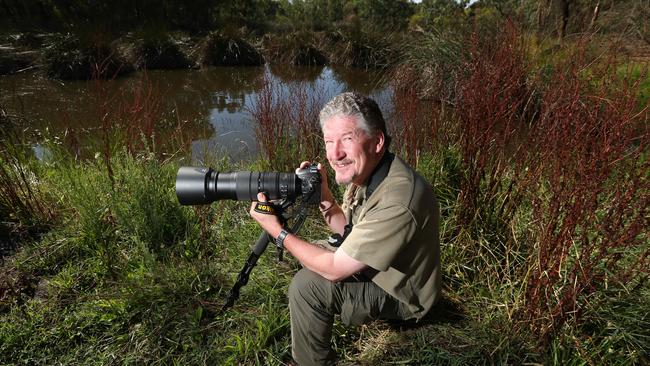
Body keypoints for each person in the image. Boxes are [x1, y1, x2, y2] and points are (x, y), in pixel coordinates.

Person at [249, 92, 441, 365]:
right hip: (382, 270)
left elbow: (335, 269)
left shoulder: (398, 199)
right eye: (329, 142)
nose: (335, 154)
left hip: (405, 296)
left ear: (377, 142)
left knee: (307, 285)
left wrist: (278, 232)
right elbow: (347, 230)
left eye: (347, 139)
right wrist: (324, 195)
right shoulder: (369, 171)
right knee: (312, 252)